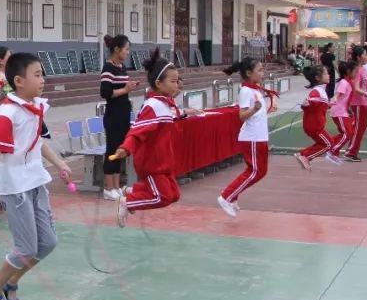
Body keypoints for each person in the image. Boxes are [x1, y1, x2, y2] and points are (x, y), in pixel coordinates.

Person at [0, 53, 72, 300]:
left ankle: (12, 282)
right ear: (19, 81)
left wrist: (60, 163)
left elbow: (38, 142)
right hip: (15, 187)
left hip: (36, 181)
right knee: (26, 247)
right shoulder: (8, 113)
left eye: (42, 74)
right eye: (37, 75)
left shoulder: (35, 108)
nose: (43, 80)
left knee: (48, 243)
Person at [111, 50, 199, 227]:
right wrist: (126, 148)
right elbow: (138, 130)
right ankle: (127, 202)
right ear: (159, 83)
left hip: (165, 162)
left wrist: (186, 113)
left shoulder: (165, 104)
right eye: (173, 81)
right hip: (152, 163)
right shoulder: (153, 105)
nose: (177, 85)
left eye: (178, 81)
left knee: (174, 194)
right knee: (163, 196)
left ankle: (131, 191)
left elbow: (172, 116)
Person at [217, 57, 274, 218]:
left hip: (260, 136)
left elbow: (257, 112)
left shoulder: (255, 90)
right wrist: (254, 110)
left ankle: (232, 196)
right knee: (256, 171)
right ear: (249, 73)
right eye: (260, 70)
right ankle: (226, 196)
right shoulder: (246, 90)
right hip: (252, 137)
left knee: (260, 172)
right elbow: (242, 115)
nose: (263, 73)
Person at [98, 34, 140, 201]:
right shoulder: (108, 68)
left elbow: (122, 88)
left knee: (120, 150)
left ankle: (116, 186)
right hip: (114, 114)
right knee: (112, 149)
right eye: (126, 49)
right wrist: (126, 89)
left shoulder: (121, 67)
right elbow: (106, 93)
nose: (128, 53)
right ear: (116, 49)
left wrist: (129, 87)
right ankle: (108, 187)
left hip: (123, 112)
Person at [294, 65, 342, 169]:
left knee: (328, 143)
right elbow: (311, 101)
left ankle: (304, 155)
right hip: (314, 125)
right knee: (328, 144)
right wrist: (306, 104)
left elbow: (318, 104)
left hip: (315, 125)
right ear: (317, 78)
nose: (328, 75)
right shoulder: (316, 91)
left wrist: (329, 104)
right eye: (325, 73)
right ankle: (305, 156)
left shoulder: (321, 90)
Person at [344, 46, 367, 162]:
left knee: (361, 127)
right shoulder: (357, 70)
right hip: (359, 103)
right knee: (359, 127)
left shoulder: (364, 70)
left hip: (364, 102)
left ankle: (351, 150)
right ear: (358, 57)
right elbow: (356, 89)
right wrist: (365, 93)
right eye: (365, 55)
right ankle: (351, 152)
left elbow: (366, 85)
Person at [329, 60, 358, 159]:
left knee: (345, 133)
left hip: (343, 111)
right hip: (338, 112)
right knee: (348, 134)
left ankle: (329, 144)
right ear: (349, 71)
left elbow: (345, 98)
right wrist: (333, 101)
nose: (356, 73)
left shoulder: (348, 82)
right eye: (355, 71)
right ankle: (333, 151)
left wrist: (349, 110)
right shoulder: (344, 82)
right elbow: (337, 95)